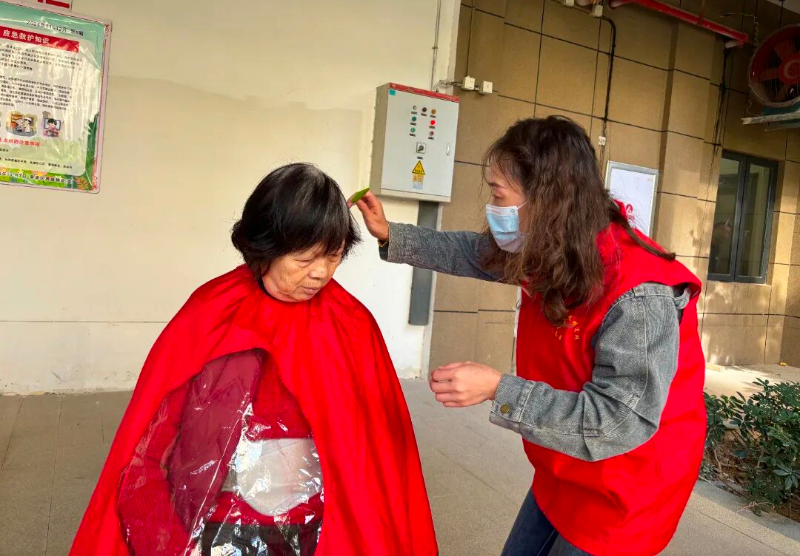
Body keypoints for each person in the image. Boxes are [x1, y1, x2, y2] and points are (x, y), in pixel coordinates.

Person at [355, 116, 706, 556]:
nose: (493, 207)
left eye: (498, 193)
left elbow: (619, 422)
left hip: (625, 488)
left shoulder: (639, 296)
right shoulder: (557, 247)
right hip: (565, 466)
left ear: (547, 199)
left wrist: (497, 389)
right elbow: (474, 253)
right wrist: (392, 234)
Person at [71, 163, 437, 556]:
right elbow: (150, 447)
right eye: (305, 259)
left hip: (320, 528)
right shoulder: (210, 313)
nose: (320, 273)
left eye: (332, 256)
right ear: (266, 246)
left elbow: (378, 458)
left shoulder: (351, 324)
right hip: (217, 525)